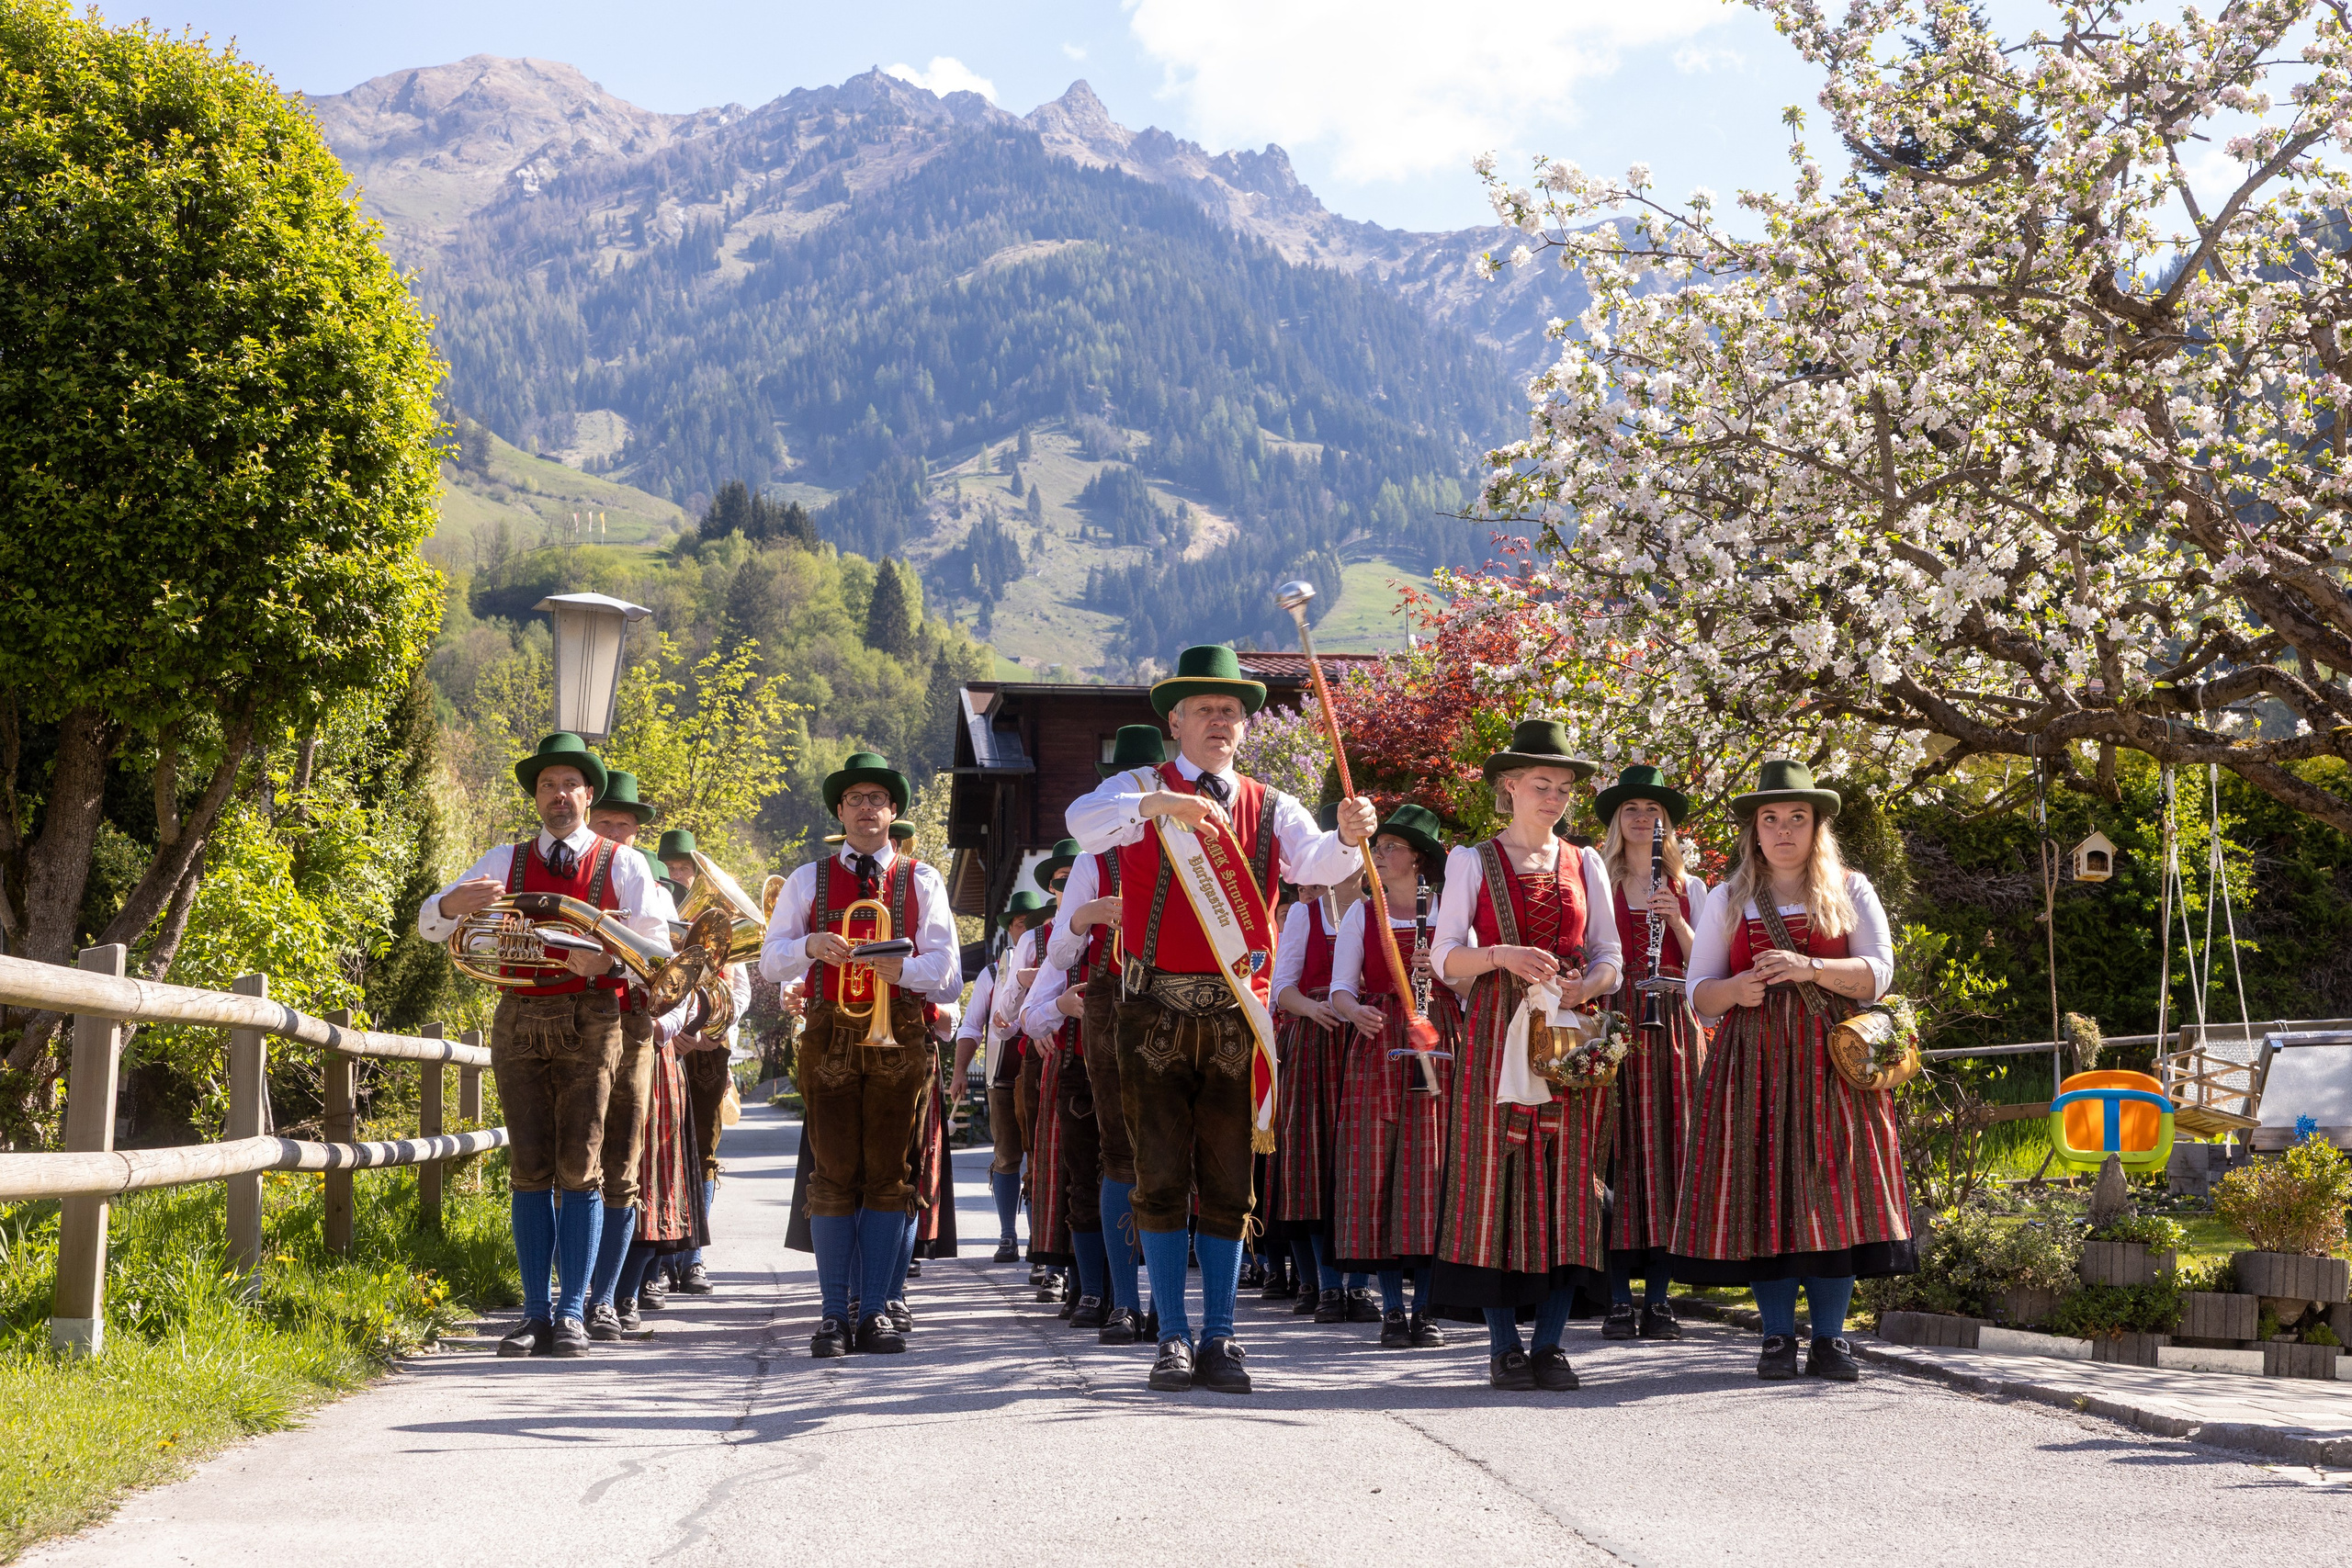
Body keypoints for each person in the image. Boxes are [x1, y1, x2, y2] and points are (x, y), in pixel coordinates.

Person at [1066, 644, 1374, 1394]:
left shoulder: (1273, 805)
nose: (1218, 722)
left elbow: (1316, 866)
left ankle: (1223, 1337)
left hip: (1238, 1013)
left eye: (1230, 711)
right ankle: (1172, 1336)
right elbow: (1082, 821)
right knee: (1161, 1176)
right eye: (1204, 709)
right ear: (1174, 719)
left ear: (1244, 726)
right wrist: (1156, 806)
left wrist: (1350, 834)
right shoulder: (1138, 787)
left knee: (1232, 1181)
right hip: (1151, 1011)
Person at [417, 733, 674, 1359]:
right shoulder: (503, 859)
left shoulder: (625, 864)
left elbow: (660, 957)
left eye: (570, 785)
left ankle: (571, 1313)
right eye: (547, 785)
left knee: (580, 1166)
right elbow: (432, 923)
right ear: (536, 796)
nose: (559, 795)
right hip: (518, 1014)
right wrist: (454, 902)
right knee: (528, 1168)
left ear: (590, 795)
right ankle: (534, 1313)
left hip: (594, 1016)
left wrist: (608, 954)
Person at [1673, 761, 1910, 1382]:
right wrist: (1738, 989)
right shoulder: (1728, 896)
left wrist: (1808, 966)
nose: (1783, 831)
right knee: (1763, 1191)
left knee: (1835, 1193)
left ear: (1816, 826)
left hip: (1833, 1064)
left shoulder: (1851, 888)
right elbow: (1698, 994)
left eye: (1796, 818)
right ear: (1754, 830)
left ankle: (1831, 1339)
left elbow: (1880, 972)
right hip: (1752, 1063)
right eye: (1770, 819)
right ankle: (1777, 1336)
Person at [1429, 719, 1623, 1392]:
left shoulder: (1585, 862)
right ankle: (1503, 1344)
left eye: (1565, 788)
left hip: (1568, 1036)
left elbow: (1611, 957)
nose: (1555, 798)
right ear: (1508, 785)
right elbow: (1444, 957)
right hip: (1494, 1036)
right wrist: (1501, 955)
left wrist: (1585, 983)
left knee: (1568, 1181)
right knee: (1495, 1177)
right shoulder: (1469, 861)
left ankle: (1551, 1343)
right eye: (1542, 785)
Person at [759, 751, 960, 1358]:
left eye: (877, 798)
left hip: (898, 1033)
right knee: (832, 1173)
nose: (867, 808)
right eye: (855, 799)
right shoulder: (805, 880)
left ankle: (874, 1310)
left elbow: (949, 976)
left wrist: (904, 968)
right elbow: (771, 962)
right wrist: (810, 944)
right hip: (829, 1035)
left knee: (888, 1175)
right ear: (839, 813)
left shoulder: (922, 878)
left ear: (893, 811)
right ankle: (831, 1313)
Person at [1047, 725, 1166, 1343]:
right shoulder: (1097, 856)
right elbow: (1060, 947)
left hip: (1182, 1001)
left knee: (1175, 1158)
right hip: (1113, 1004)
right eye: (1134, 781)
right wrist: (1087, 913)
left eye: (1152, 777)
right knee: (1119, 1154)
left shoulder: (1190, 841)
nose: (1145, 787)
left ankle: (1169, 1305)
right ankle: (1124, 1299)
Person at [1327, 804, 1453, 1350]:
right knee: (1377, 1172)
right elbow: (1340, 987)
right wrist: (1354, 1012)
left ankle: (1425, 1309)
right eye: (1377, 849)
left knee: (1430, 1170)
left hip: (1435, 1040)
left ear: (1418, 858)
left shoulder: (1447, 909)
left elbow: (1471, 986)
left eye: (1389, 848)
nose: (1378, 856)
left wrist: (1444, 972)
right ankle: (1392, 1311)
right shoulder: (1364, 911)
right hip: (1379, 1043)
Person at [1592, 764, 1710, 1343]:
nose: (1643, 819)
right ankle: (1616, 1299)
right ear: (1619, 821)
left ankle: (1659, 1300)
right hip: (1615, 1022)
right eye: (1632, 810)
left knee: (1670, 1157)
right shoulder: (1598, 878)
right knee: (1617, 1155)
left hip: (1676, 1029)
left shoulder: (1693, 887)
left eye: (1653, 811)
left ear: (1666, 823)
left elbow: (1706, 962)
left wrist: (1678, 920)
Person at [578, 771, 684, 1339]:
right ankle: (578, 1293)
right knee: (577, 1160)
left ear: (639, 832)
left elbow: (675, 977)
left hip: (639, 1031)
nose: (616, 833)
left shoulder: (653, 889)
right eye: (606, 824)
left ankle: (614, 1294)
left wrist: (668, 1022)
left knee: (629, 1164)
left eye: (626, 825)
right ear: (590, 821)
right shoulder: (575, 874)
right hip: (577, 1025)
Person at [656, 825, 744, 1298]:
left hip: (710, 1048)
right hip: (662, 1041)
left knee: (704, 1151)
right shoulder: (652, 907)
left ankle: (693, 1260)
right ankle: (656, 1255)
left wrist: (712, 1030)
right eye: (671, 868)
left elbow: (741, 988)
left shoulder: (718, 921)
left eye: (685, 868)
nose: (679, 875)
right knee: (659, 1146)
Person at [956, 889, 1050, 1266]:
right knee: (1008, 1157)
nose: (1029, 929)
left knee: (1041, 1158)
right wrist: (960, 1071)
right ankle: (1009, 1235)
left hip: (1044, 1072)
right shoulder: (993, 973)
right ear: (1011, 929)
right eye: (1022, 923)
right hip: (1003, 1076)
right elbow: (971, 1025)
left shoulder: (1056, 963)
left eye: (1035, 923)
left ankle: (1042, 1241)